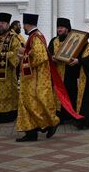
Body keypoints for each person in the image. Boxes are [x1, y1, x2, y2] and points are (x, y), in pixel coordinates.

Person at [15, 13, 59, 142]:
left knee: (31, 103)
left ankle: (50, 123)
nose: (23, 27)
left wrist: (24, 55)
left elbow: (41, 57)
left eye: (24, 25)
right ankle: (31, 132)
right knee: (29, 104)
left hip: (35, 79)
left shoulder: (35, 37)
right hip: (31, 78)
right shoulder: (35, 36)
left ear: (27, 25)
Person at [47, 18, 79, 123]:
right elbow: (48, 54)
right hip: (56, 74)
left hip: (69, 73)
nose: (59, 29)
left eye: (62, 27)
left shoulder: (72, 40)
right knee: (56, 95)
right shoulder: (53, 41)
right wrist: (52, 58)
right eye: (58, 27)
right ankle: (58, 115)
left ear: (67, 29)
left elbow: (78, 54)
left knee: (70, 94)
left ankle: (69, 115)